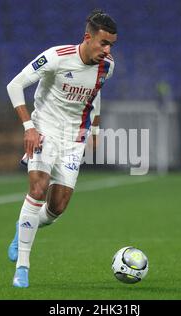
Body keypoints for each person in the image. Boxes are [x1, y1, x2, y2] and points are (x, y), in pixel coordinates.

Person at [6, 9, 117, 288]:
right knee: (37, 189)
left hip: (74, 138)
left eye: (111, 45)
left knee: (57, 208)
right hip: (44, 130)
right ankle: (23, 266)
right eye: (103, 43)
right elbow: (15, 85)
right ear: (87, 37)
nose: (107, 50)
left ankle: (22, 231)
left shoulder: (107, 66)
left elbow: (96, 92)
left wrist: (95, 127)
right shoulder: (57, 56)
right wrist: (29, 127)